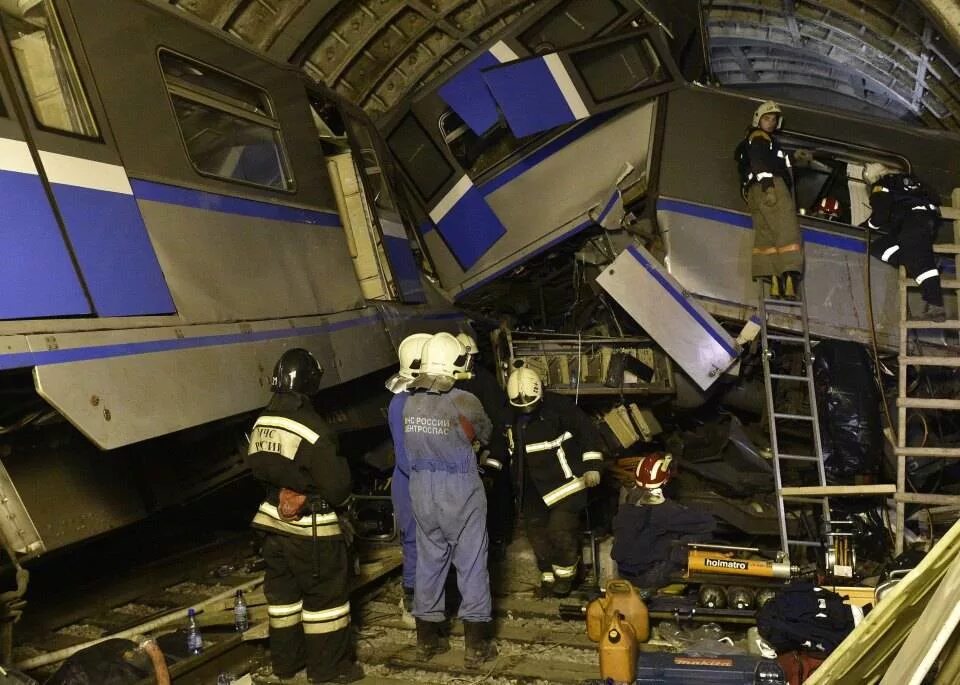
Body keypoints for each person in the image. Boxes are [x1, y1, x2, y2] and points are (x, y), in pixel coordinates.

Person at [245, 348, 363, 684]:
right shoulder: (314, 429)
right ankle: (329, 671)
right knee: (326, 602)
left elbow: (257, 468)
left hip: (270, 524)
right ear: (310, 383)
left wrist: (284, 490)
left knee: (283, 601)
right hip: (311, 532)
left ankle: (286, 665)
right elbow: (338, 489)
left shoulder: (261, 421)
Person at [403, 332, 498, 668]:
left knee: (430, 561)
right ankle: (475, 647)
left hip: (422, 488)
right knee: (471, 562)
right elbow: (484, 433)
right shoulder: (464, 400)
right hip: (458, 485)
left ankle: (426, 642)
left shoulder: (409, 401)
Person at [505, 366, 604, 598]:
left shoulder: (559, 407)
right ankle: (548, 576)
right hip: (532, 488)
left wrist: (593, 467)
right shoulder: (510, 415)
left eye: (531, 404)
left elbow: (588, 433)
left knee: (561, 531)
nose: (527, 409)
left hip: (566, 483)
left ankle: (566, 577)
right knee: (537, 534)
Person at [611, 453, 716, 589]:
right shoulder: (664, 509)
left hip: (624, 574)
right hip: (648, 577)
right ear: (665, 480)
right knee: (701, 535)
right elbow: (708, 523)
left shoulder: (628, 503)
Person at [385, 332, 433, 626]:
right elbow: (407, 458)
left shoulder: (419, 399)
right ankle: (412, 600)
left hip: (422, 479)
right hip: (411, 482)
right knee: (416, 543)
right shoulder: (402, 404)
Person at [735, 100, 803, 299]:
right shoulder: (760, 137)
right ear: (758, 119)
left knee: (766, 236)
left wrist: (795, 158)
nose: (771, 122)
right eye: (767, 118)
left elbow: (762, 161)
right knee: (787, 231)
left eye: (774, 119)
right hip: (770, 187)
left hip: (754, 193)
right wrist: (769, 188)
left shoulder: (749, 140)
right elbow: (761, 162)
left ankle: (774, 282)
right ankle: (789, 279)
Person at [455, 332, 514, 561]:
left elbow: (498, 417)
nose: (470, 362)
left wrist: (491, 451)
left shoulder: (483, 380)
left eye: (472, 358)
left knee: (497, 488)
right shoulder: (449, 382)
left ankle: (499, 538)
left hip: (488, 445)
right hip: (463, 451)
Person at [863, 163, 946, 322]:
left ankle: (936, 306)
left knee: (918, 260)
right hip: (926, 222)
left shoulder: (882, 185)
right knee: (879, 248)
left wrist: (867, 226)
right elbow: (935, 198)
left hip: (912, 223)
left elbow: (880, 216)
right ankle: (925, 262)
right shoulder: (912, 181)